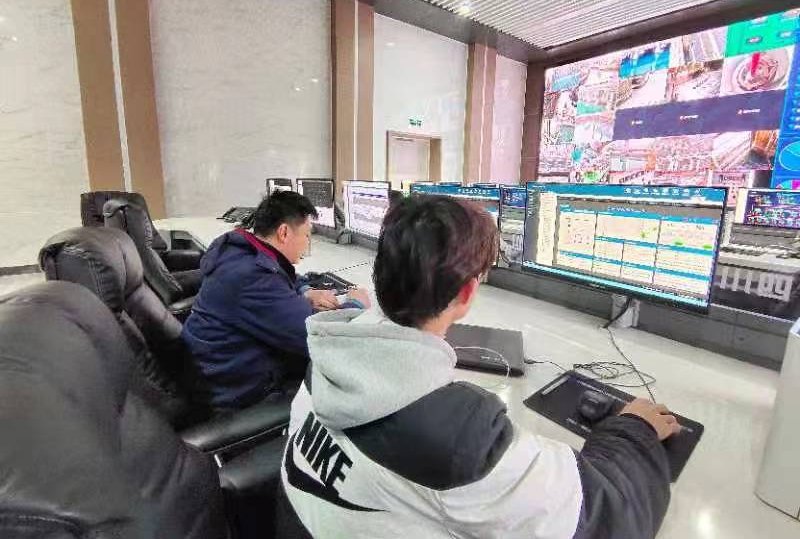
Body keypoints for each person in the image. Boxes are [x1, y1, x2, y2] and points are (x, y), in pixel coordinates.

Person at [278, 194, 678, 538]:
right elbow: (609, 515)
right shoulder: (457, 437)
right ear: (468, 291)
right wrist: (633, 428)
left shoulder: (333, 347)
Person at [182, 191, 370, 411]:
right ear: (284, 232)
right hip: (233, 389)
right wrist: (355, 305)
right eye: (307, 236)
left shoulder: (241, 252)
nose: (308, 244)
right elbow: (319, 338)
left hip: (219, 366)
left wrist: (306, 290)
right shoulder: (252, 278)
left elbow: (279, 273)